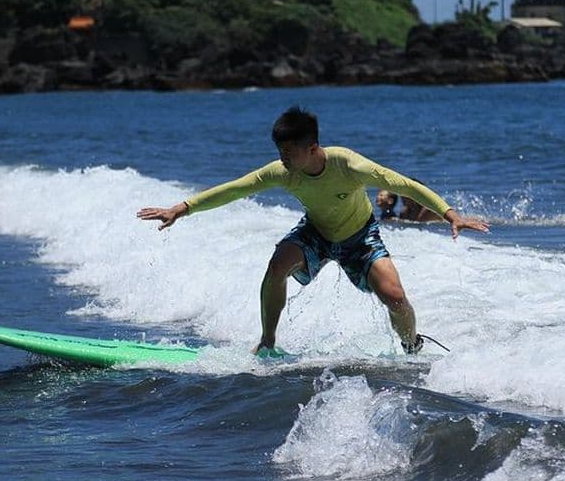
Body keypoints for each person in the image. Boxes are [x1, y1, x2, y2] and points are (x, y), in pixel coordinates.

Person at [137, 107, 489, 354]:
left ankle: (412, 346)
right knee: (277, 266)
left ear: (313, 148)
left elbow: (403, 183)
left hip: (360, 238)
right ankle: (268, 341)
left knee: (395, 297)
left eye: (289, 151)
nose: (283, 158)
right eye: (280, 151)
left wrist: (449, 214)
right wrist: (182, 208)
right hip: (316, 233)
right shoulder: (283, 171)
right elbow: (235, 188)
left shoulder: (349, 165)